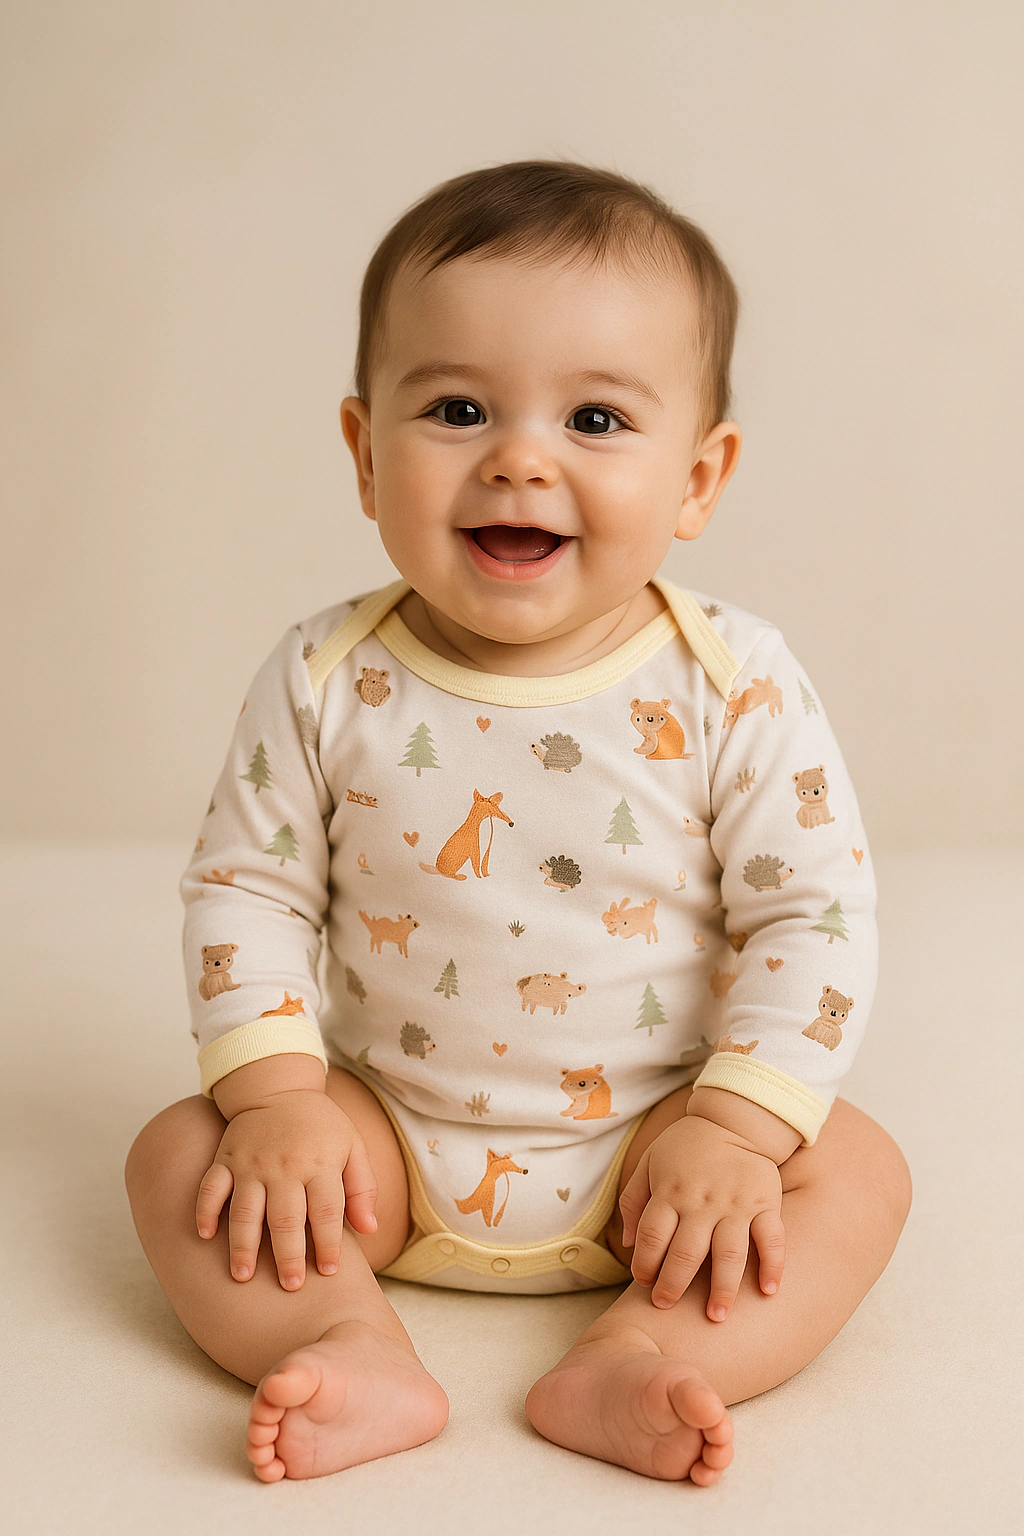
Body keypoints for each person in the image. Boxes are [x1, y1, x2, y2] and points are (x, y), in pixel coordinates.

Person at [125, 160, 911, 1486]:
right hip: (375, 1148)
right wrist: (278, 1101)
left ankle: (644, 1351)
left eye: (596, 418)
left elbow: (813, 915)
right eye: (457, 409)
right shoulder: (325, 676)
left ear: (699, 477)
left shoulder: (733, 682)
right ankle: (341, 1335)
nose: (520, 458)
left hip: (664, 1156)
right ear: (365, 453)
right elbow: (248, 888)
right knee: (177, 1157)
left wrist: (737, 1131)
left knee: (861, 1174)